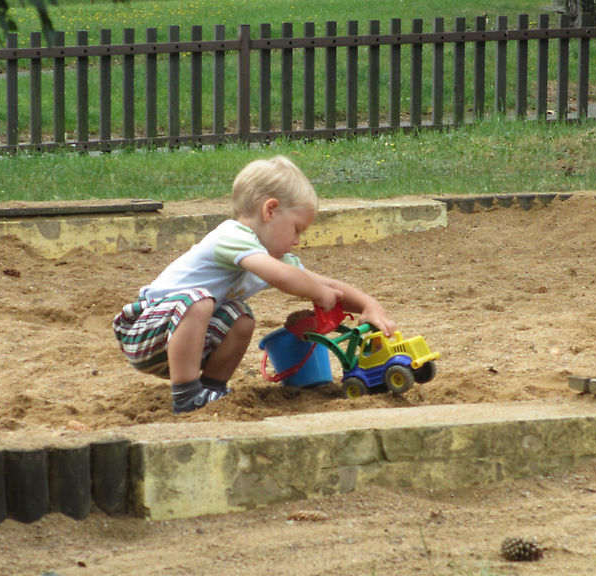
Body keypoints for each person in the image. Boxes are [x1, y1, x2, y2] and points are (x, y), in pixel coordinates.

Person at [113, 155, 397, 414]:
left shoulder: (269, 257)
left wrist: (368, 305)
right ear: (270, 210)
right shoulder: (231, 235)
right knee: (199, 300)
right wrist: (318, 294)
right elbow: (284, 278)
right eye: (297, 228)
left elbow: (322, 282)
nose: (298, 241)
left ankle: (212, 389)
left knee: (241, 316)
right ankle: (187, 394)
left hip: (185, 342)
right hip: (144, 331)